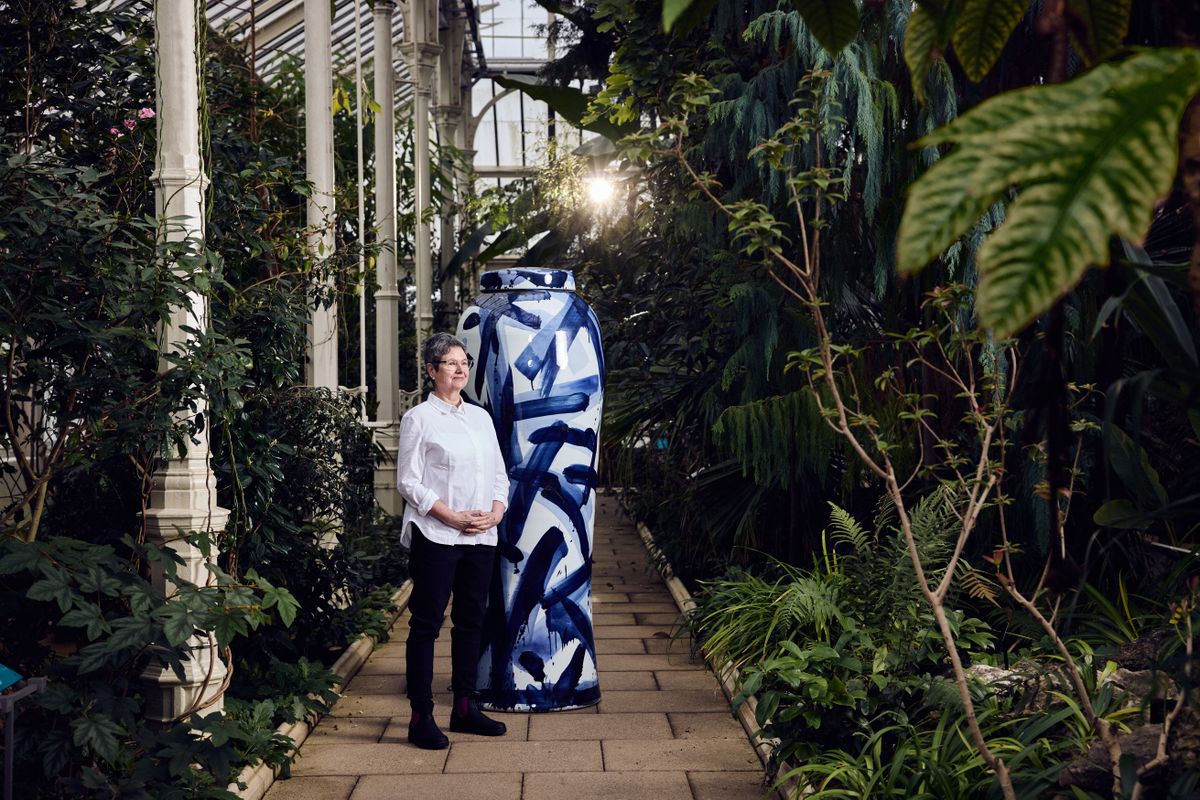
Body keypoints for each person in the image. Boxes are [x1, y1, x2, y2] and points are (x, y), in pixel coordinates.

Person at [396, 332, 510, 749]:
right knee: (426, 624)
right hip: (437, 535)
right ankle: (420, 716)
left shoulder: (480, 417)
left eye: (464, 362)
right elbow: (408, 481)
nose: (460, 369)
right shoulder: (419, 419)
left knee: (472, 622)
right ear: (431, 370)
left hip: (481, 537)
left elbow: (499, 473)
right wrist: (450, 515)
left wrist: (496, 512)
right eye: (450, 362)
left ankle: (465, 708)